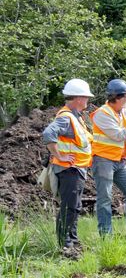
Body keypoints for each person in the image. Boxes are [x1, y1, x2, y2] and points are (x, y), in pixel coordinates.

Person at [41, 79, 95, 255]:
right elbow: (49, 134)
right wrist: (60, 155)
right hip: (68, 169)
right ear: (78, 98)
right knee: (69, 206)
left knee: (75, 205)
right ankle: (64, 243)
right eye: (86, 97)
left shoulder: (75, 117)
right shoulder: (66, 117)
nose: (87, 100)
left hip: (76, 168)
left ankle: (72, 239)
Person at [91, 79, 126, 236]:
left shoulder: (123, 110)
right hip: (103, 161)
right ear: (117, 97)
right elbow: (118, 135)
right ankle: (106, 236)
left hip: (119, 162)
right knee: (105, 198)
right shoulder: (102, 114)